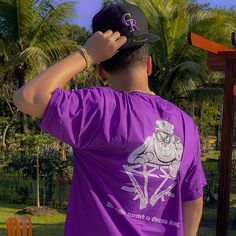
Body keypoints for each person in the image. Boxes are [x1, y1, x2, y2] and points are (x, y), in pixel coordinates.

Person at [13, 2, 207, 236]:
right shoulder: (185, 124)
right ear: (148, 64)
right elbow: (193, 201)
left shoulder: (98, 108)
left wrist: (86, 54)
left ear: (101, 71)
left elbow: (28, 97)